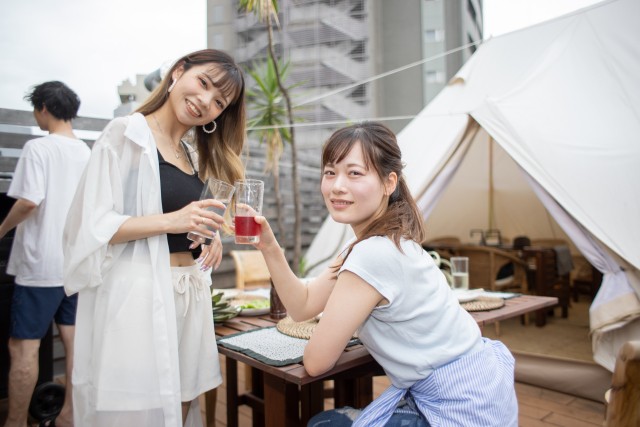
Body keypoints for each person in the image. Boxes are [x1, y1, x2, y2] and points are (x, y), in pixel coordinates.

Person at [252, 122, 518, 426]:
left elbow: (315, 362)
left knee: (323, 423)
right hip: (480, 387)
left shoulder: (373, 253)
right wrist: (270, 247)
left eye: (354, 173)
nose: (337, 186)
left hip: (460, 405)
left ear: (389, 183)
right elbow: (302, 306)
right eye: (330, 172)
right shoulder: (380, 242)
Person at [62, 49, 246, 427]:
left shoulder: (189, 154)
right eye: (203, 83)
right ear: (178, 72)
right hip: (139, 296)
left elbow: (182, 219)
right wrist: (173, 220)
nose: (205, 102)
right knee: (137, 412)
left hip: (188, 293)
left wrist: (207, 235)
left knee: (181, 403)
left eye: (219, 102)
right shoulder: (127, 134)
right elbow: (93, 225)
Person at [0, 81, 89, 427]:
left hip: (41, 265)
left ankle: (15, 422)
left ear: (43, 108)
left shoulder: (38, 148)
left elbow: (28, 201)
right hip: (76, 264)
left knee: (23, 347)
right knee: (74, 343)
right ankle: (69, 416)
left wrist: (1, 229)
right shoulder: (87, 153)